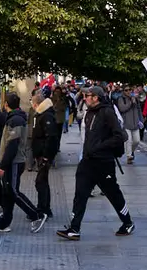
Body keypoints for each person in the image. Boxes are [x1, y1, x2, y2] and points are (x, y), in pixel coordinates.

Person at [57, 86, 133, 241]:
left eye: (88, 95)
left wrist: (100, 146)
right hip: (87, 161)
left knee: (113, 193)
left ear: (96, 97)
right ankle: (74, 228)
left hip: (104, 162)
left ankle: (128, 222)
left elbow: (120, 136)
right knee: (80, 194)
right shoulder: (89, 112)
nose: (85, 98)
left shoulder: (107, 112)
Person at [0, 93, 38, 233]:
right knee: (7, 192)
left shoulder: (15, 120)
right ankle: (4, 222)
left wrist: (2, 166)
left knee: (13, 192)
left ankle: (36, 214)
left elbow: (12, 145)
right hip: (13, 161)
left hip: (13, 162)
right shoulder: (16, 118)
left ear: (6, 104)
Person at [28, 89, 59, 231]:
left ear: (36, 104)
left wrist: (46, 156)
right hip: (40, 154)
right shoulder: (41, 114)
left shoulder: (45, 116)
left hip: (44, 155)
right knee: (43, 181)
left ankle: (43, 209)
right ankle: (45, 208)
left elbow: (51, 137)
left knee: (40, 182)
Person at [116, 87, 142, 164]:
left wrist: (141, 120)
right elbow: (122, 108)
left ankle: (131, 151)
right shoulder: (121, 99)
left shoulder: (135, 99)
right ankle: (129, 156)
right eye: (126, 90)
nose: (128, 91)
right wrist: (130, 102)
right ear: (123, 91)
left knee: (137, 141)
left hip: (135, 123)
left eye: (129, 90)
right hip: (126, 123)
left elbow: (139, 109)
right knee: (128, 140)